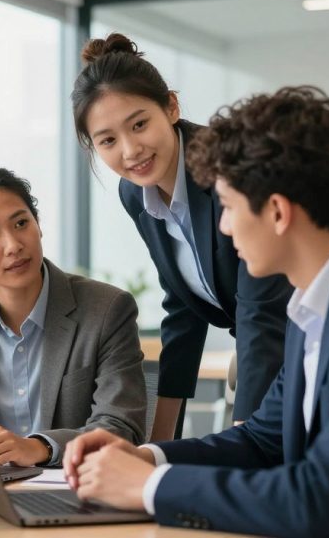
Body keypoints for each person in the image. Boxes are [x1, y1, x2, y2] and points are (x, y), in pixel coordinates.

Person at [62, 86, 329, 537]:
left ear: (277, 212)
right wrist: (147, 458)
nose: (223, 227)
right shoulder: (320, 301)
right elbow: (262, 440)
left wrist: (150, 486)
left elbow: (321, 499)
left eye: (227, 207)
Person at [71, 32, 292, 440]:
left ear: (170, 107)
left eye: (139, 124)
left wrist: (245, 441)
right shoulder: (135, 193)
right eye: (108, 140)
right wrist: (158, 444)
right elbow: (183, 307)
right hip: (264, 350)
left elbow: (261, 310)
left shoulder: (231, 170)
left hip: (307, 344)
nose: (130, 150)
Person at [0, 165, 146, 467]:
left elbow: (122, 427)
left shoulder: (106, 309)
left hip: (73, 491)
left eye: (21, 223)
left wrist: (40, 448)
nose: (13, 245)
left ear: (38, 224)